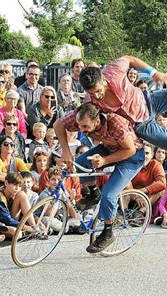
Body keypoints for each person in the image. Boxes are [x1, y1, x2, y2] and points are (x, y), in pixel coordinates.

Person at [54, 102, 145, 253]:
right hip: (110, 147)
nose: (81, 130)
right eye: (79, 125)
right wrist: (66, 151)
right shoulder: (82, 115)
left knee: (109, 194)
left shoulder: (115, 123)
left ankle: (108, 232)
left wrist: (104, 161)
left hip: (132, 156)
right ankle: (93, 193)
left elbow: (130, 150)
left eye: (84, 127)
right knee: (80, 165)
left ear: (97, 121)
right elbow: (58, 124)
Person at [74, 55, 167, 159]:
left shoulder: (113, 71)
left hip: (149, 100)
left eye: (98, 91)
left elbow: (130, 59)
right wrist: (102, 139)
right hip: (142, 125)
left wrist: (153, 72)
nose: (96, 96)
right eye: (91, 93)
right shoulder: (90, 102)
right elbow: (84, 126)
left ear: (102, 80)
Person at [0, 172, 37, 237]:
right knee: (17, 233)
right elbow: (8, 221)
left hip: (13, 220)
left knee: (22, 194)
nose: (17, 188)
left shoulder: (14, 193)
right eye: (15, 185)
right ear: (6, 183)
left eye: (19, 186)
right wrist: (26, 227)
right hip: (0, 225)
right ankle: (28, 231)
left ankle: (35, 228)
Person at [130, 143, 166, 208]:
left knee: (161, 191)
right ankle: (124, 212)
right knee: (123, 189)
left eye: (147, 153)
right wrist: (135, 195)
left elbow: (162, 183)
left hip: (146, 195)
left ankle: (140, 212)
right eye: (141, 153)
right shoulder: (131, 163)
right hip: (131, 194)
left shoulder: (156, 164)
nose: (144, 156)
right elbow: (125, 181)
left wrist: (142, 191)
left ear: (152, 155)